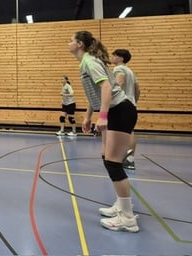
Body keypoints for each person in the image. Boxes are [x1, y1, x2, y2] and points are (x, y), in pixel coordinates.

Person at [69, 31, 139, 233]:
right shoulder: (87, 62)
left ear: (79, 44)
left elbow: (107, 88)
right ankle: (121, 205)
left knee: (113, 163)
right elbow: (96, 93)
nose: (68, 43)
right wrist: (88, 116)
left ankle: (127, 218)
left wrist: (103, 116)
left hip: (119, 111)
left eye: (71, 40)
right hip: (116, 110)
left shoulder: (90, 61)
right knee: (107, 159)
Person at [112, 49, 140, 170]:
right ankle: (130, 159)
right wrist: (133, 102)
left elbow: (119, 82)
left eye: (115, 55)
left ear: (121, 58)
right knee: (129, 131)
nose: (112, 57)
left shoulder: (118, 69)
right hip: (131, 104)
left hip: (121, 104)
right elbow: (138, 90)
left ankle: (118, 157)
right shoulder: (131, 71)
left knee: (118, 132)